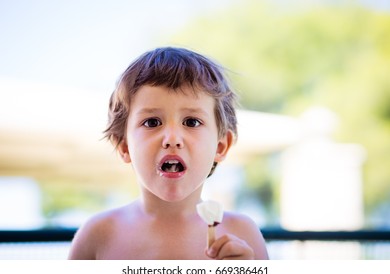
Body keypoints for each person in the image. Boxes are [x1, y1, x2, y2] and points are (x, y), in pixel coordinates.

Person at [68, 47, 269, 260]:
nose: (172, 138)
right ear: (124, 145)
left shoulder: (243, 234)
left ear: (220, 147)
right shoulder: (97, 235)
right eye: (152, 122)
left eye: (191, 122)